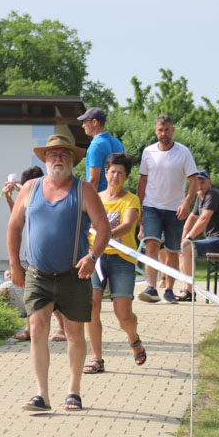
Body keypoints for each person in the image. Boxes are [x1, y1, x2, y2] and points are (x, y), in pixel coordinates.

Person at [7, 133, 110, 412]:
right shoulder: (30, 189)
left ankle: (73, 391)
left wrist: (92, 257)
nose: (58, 159)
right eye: (53, 154)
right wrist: (15, 264)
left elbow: (104, 229)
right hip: (37, 274)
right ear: (45, 159)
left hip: (74, 275)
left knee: (75, 334)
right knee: (37, 330)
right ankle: (41, 394)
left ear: (72, 160)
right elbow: (14, 226)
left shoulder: (84, 190)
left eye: (64, 154)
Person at [84, 153, 146, 374]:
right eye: (112, 172)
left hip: (122, 259)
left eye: (121, 173)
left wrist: (106, 234)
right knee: (91, 306)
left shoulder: (131, 200)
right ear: (106, 173)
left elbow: (128, 225)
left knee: (123, 314)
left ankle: (133, 337)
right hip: (95, 257)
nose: (116, 176)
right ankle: (96, 358)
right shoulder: (95, 198)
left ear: (126, 176)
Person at [137, 115, 198, 304]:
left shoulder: (184, 152)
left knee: (172, 250)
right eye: (160, 130)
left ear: (173, 130)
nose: (163, 133)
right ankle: (151, 287)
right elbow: (143, 180)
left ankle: (169, 289)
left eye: (167, 130)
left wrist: (187, 203)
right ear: (155, 131)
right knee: (152, 245)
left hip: (175, 209)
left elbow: (194, 181)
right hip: (151, 206)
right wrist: (139, 206)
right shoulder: (148, 152)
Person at [5, 166, 69, 342]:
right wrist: (9, 198)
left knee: (53, 295)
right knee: (32, 294)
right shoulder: (29, 197)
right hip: (34, 256)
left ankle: (63, 329)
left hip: (54, 255)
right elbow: (18, 217)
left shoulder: (49, 198)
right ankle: (30, 328)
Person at [176, 170, 219, 301]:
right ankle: (186, 288)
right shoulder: (200, 197)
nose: (200, 185)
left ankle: (189, 291)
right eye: (197, 183)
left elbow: (204, 219)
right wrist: (183, 238)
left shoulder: (213, 194)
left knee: (187, 247)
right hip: (214, 241)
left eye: (203, 182)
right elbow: (192, 218)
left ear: (209, 182)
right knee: (182, 249)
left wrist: (188, 239)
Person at [78, 107, 124, 192]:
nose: (83, 125)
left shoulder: (96, 145)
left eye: (85, 121)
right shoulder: (118, 143)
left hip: (100, 197)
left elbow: (93, 180)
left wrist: (88, 200)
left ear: (94, 122)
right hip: (117, 196)